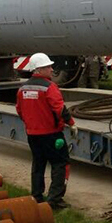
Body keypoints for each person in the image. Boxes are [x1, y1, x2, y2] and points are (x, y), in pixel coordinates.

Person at [15, 52, 74, 210]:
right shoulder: (49, 87)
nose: (51, 69)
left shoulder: (23, 88)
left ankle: (37, 197)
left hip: (33, 135)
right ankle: (54, 200)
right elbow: (59, 108)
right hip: (52, 135)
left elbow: (20, 110)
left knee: (38, 164)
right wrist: (71, 123)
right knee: (60, 163)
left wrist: (31, 124)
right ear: (39, 69)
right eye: (48, 66)